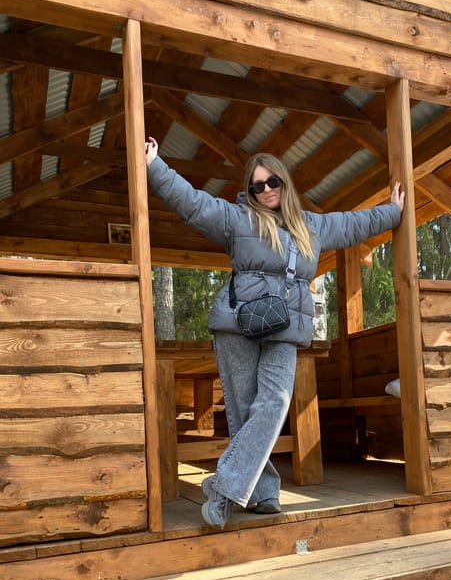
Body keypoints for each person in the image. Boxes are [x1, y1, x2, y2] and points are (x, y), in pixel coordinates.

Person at [145, 137, 405, 529]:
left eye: (272, 183)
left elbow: (356, 224)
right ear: (249, 191)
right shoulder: (237, 219)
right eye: (256, 185)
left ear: (285, 183)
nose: (265, 190)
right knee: (243, 408)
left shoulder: (312, 226)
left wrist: (394, 211)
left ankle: (224, 489)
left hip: (284, 327)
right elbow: (193, 202)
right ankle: (264, 493)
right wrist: (154, 166)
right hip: (237, 325)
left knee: (274, 403)